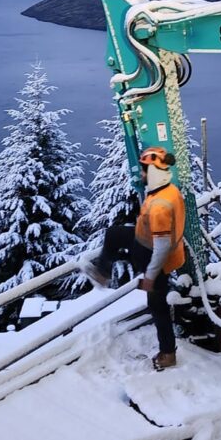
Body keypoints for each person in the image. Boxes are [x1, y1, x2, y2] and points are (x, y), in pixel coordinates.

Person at [82, 145, 186, 370]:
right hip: (154, 245)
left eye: (144, 170)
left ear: (154, 173)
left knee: (157, 307)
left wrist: (150, 275)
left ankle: (168, 354)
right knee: (115, 234)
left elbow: (160, 248)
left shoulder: (159, 206)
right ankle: (104, 272)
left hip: (154, 256)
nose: (141, 175)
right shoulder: (169, 191)